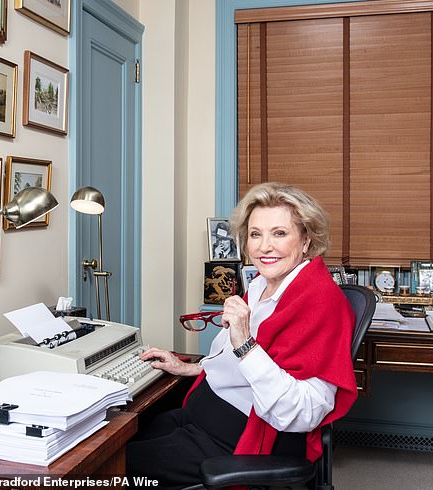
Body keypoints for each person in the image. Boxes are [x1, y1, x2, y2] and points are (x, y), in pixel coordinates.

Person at [126, 182, 358, 488]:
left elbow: (305, 414)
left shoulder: (321, 302)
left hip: (239, 435)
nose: (264, 247)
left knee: (114, 467)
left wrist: (246, 344)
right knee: (130, 434)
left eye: (279, 233)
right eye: (255, 234)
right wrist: (191, 368)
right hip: (202, 412)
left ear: (306, 240)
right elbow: (235, 362)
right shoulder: (262, 284)